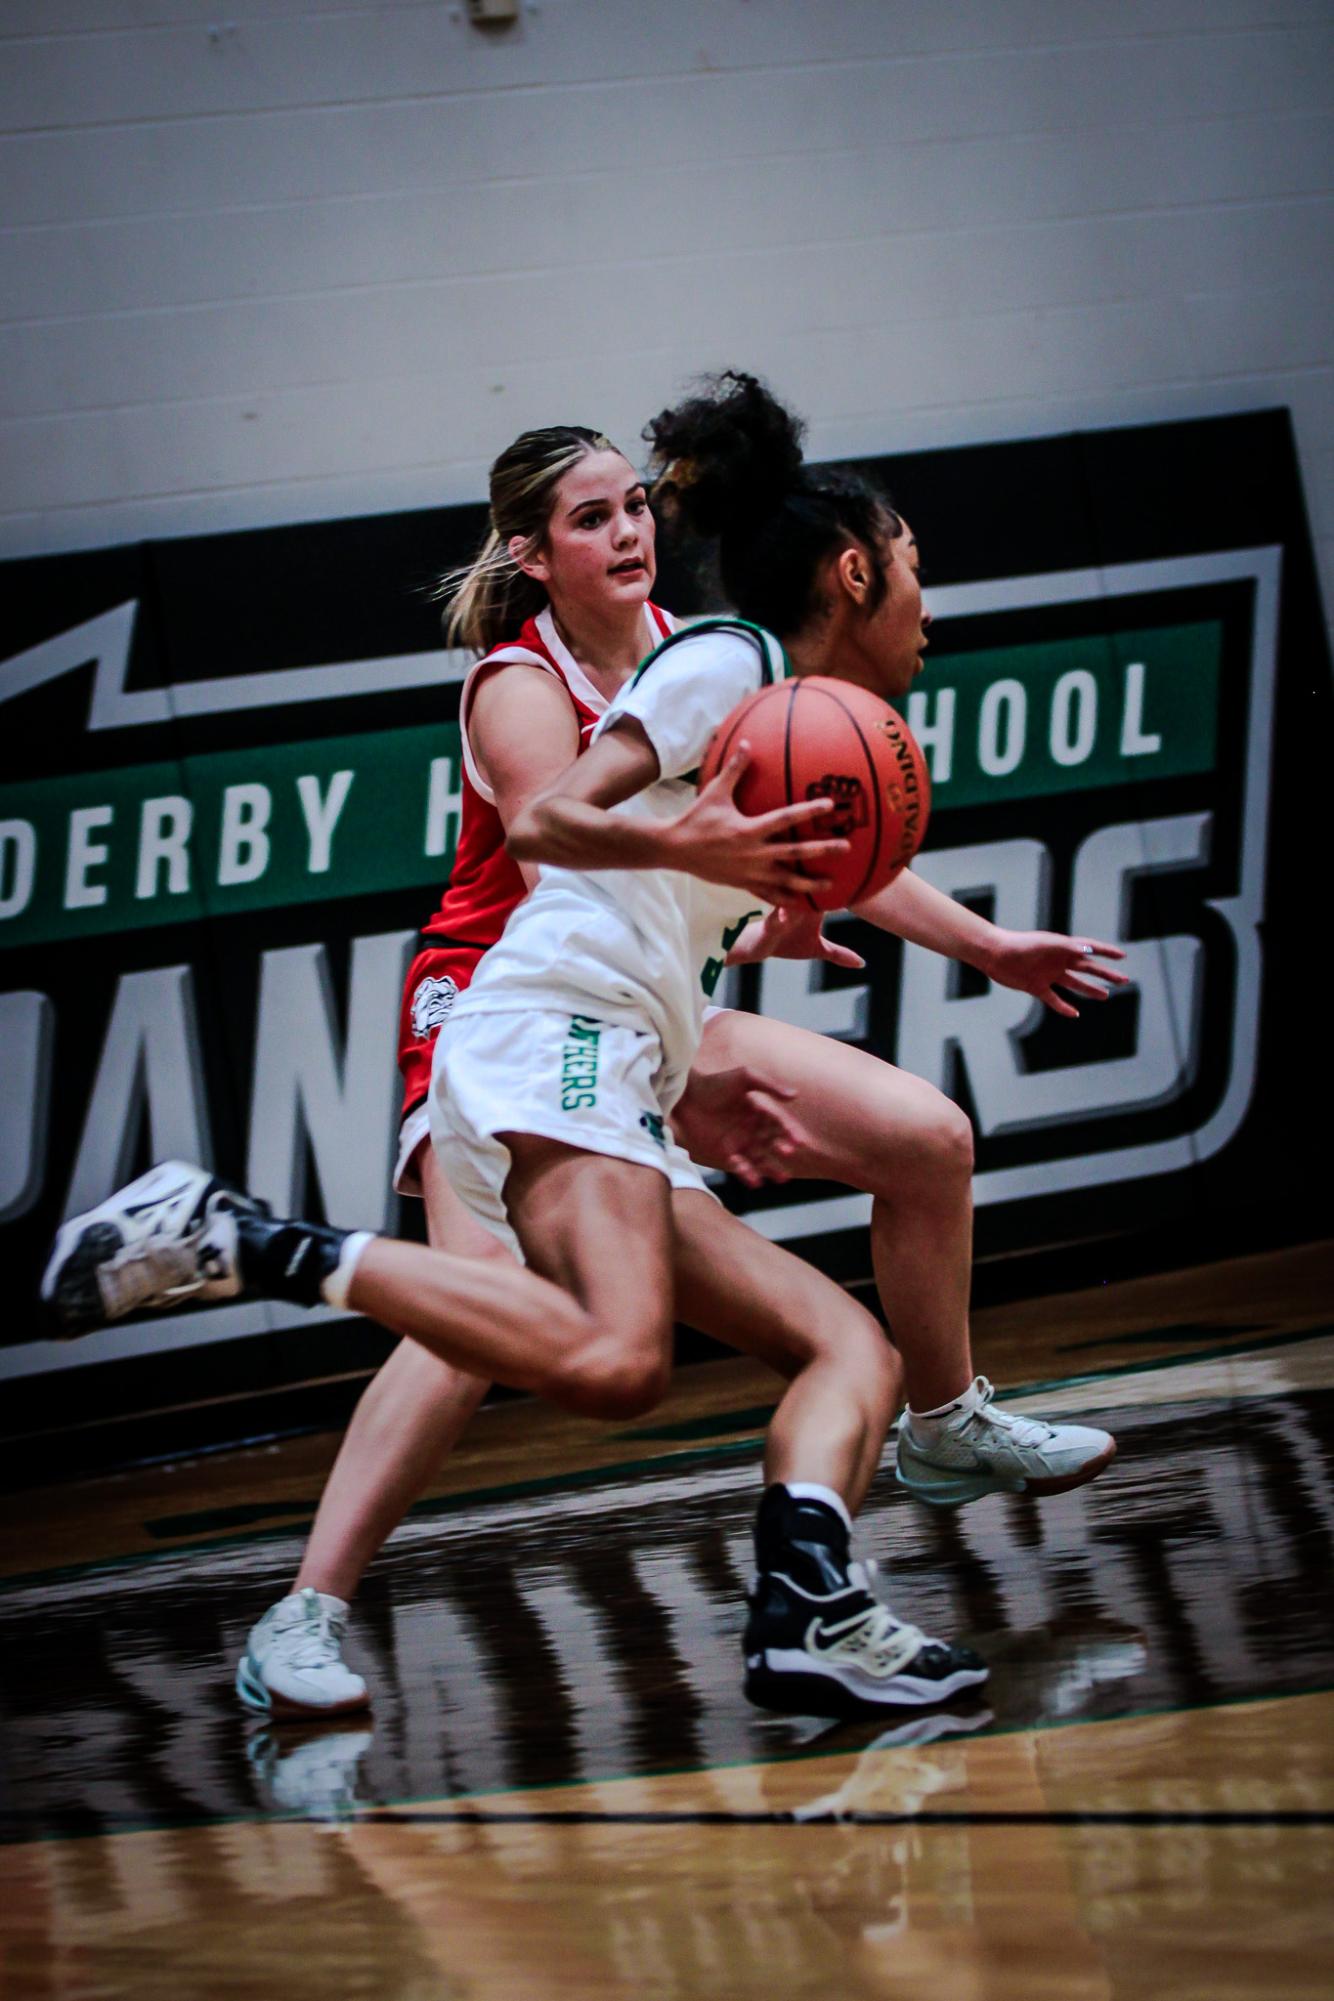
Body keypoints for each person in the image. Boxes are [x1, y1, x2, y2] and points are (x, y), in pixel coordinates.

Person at [45, 379, 1120, 1720]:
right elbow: (561, 826)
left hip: (637, 1015)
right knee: (486, 1323)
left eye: (635, 507)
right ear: (530, 553)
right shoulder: (529, 679)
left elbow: (805, 845)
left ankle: (908, 1466)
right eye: (590, 516)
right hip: (497, 996)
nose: (626, 533)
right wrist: (711, 874)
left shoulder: (706, 651)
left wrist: (963, 943)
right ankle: (306, 1600)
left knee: (918, 1150)